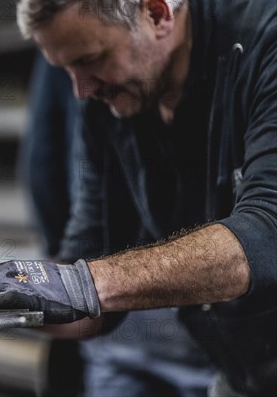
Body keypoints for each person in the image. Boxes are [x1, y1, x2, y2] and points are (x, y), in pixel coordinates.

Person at [0, 0, 277, 395]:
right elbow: (91, 309)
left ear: (156, 14)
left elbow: (266, 236)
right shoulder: (111, 106)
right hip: (242, 374)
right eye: (67, 70)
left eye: (91, 59)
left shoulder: (265, 44)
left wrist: (82, 283)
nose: (80, 90)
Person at [21, 52, 214, 396]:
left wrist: (75, 280)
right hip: (186, 317)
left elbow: (43, 169)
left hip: (119, 308)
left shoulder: (66, 42)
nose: (82, 89)